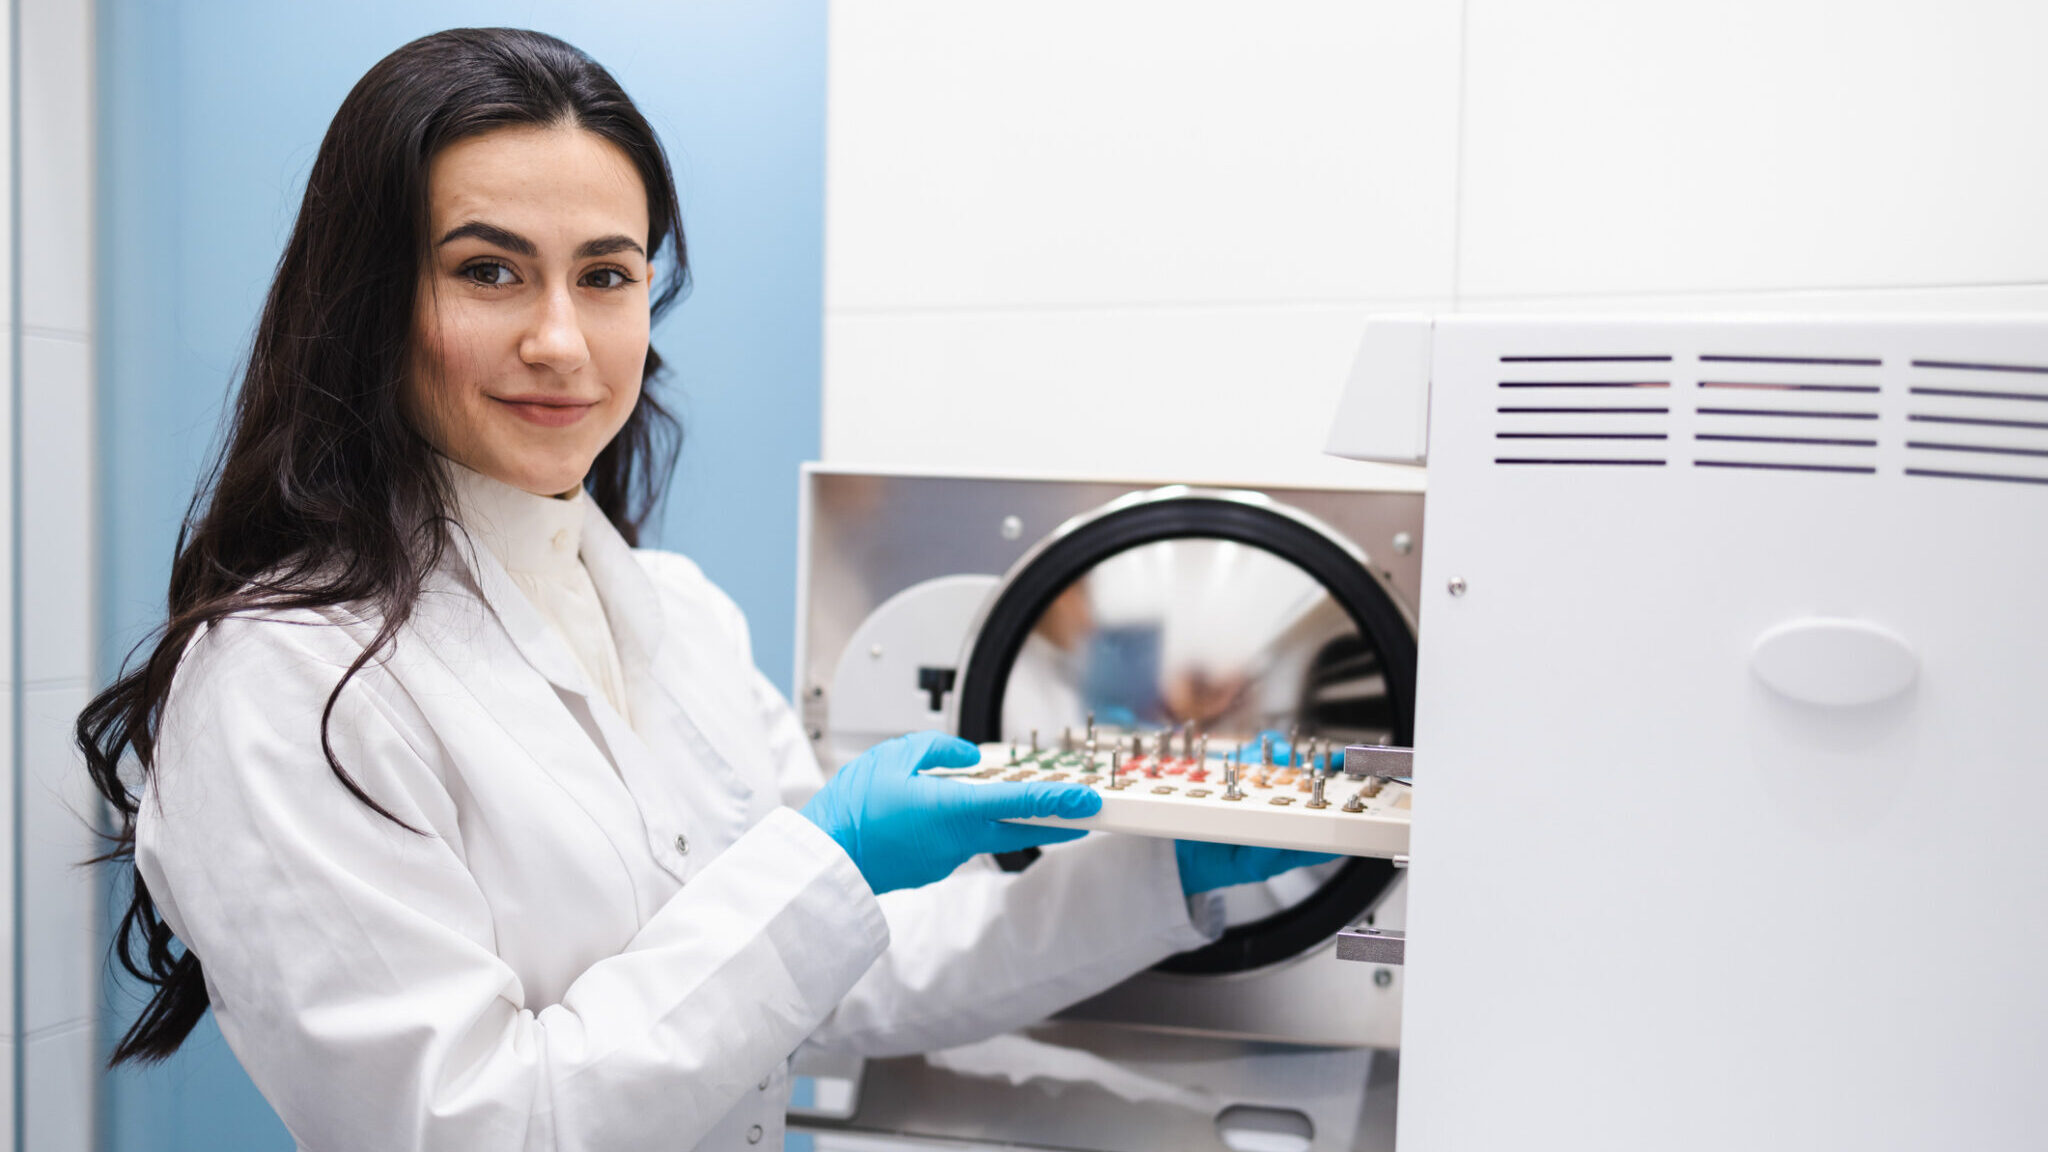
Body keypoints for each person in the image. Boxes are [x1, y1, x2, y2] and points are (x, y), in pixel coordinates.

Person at [79, 28, 1324, 1152]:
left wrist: (1167, 869)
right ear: (369, 305)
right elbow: (471, 1127)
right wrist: (825, 857)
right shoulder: (289, 683)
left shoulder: (672, 615)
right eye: (490, 271)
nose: (562, 341)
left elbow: (847, 975)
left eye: (607, 276)